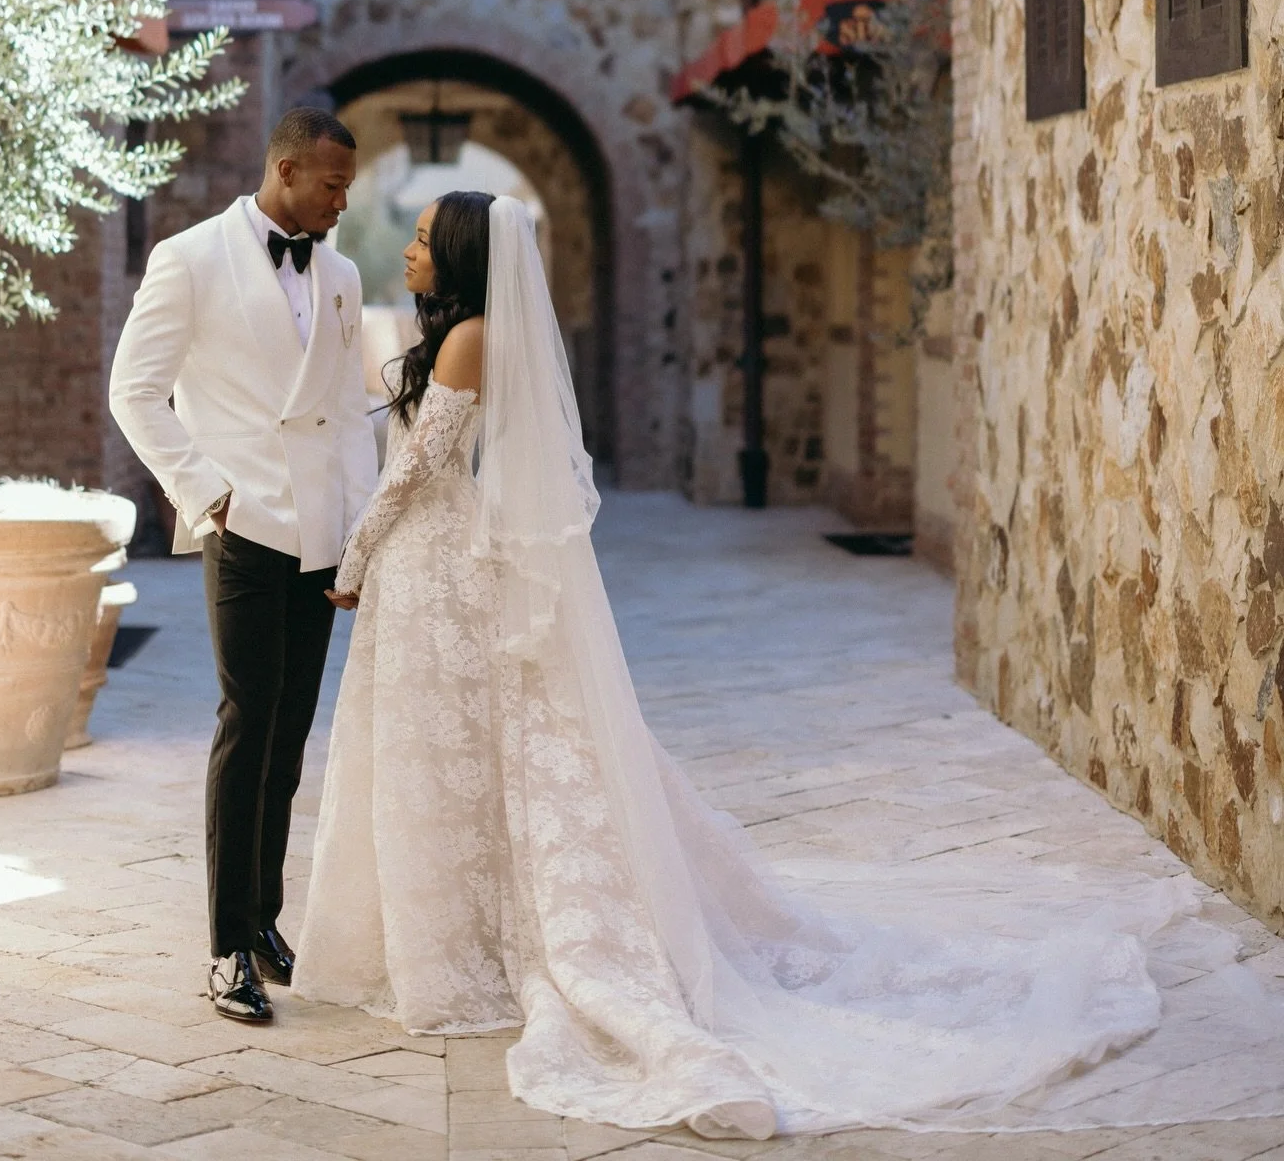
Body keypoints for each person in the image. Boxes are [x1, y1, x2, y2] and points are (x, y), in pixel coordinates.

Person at [294, 190, 1191, 1140]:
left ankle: (491, 945)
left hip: (436, 565)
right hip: (430, 570)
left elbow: (419, 468)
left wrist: (353, 560)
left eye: (427, 241)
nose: (410, 252)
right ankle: (461, 935)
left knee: (462, 753)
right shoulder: (464, 333)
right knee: (449, 755)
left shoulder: (470, 338)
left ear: (467, 256)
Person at [110, 108, 376, 1025]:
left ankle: (262, 921)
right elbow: (133, 390)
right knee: (246, 718)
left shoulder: (338, 273)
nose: (343, 204)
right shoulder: (190, 257)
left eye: (348, 188)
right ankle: (225, 949)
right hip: (243, 523)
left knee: (291, 729)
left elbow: (346, 412)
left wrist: (358, 537)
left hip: (318, 535)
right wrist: (206, 491)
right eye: (332, 186)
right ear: (287, 169)